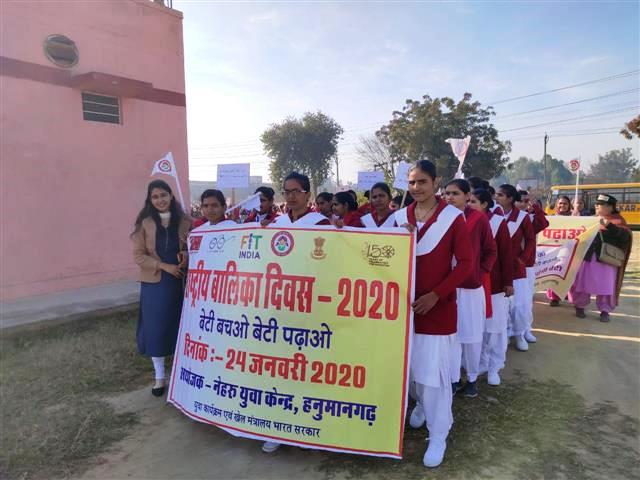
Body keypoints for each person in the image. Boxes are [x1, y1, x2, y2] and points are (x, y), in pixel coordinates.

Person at [395, 160, 472, 468]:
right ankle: (421, 405)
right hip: (401, 310)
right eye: (412, 182)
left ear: (436, 181)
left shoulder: (453, 217)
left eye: (422, 182)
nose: (416, 188)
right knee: (409, 371)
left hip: (437, 309)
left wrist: (436, 295)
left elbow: (466, 264)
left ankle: (438, 434)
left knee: (432, 375)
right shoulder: (399, 217)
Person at [131, 180, 192, 397]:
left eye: (163, 195)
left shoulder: (185, 221)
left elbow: (195, 247)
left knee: (179, 326)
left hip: (179, 283)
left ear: (171, 196)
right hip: (155, 284)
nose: (160, 200)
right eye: (155, 197)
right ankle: (159, 377)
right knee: (156, 328)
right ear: (150, 200)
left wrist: (186, 256)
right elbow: (139, 256)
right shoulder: (145, 224)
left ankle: (179, 373)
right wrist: (164, 266)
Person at [444, 180, 497, 398]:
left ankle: (472, 379)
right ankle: (453, 379)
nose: (450, 197)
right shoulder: (440, 218)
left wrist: (478, 272)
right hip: (445, 286)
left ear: (467, 196)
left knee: (472, 336)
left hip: (470, 288)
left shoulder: (478, 219)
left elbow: (491, 250)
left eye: (455, 193)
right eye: (447, 193)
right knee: (450, 337)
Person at [469, 189, 514, 386]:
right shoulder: (462, 220)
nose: (469, 205)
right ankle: (481, 362)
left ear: (485, 204)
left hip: (494, 284)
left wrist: (508, 282)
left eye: (473, 201)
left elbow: (506, 254)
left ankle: (495, 366)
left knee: (495, 329)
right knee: (478, 328)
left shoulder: (497, 223)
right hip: (473, 285)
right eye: (468, 201)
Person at [568, 194, 632, 322]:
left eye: (601, 204)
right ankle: (580, 306)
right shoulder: (591, 219)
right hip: (588, 258)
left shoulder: (619, 221)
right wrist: (575, 219)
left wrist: (609, 225)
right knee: (582, 283)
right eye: (596, 204)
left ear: (610, 207)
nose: (597, 206)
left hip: (606, 260)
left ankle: (605, 310)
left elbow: (625, 238)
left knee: (606, 286)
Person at [495, 184, 535, 352]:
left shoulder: (522, 217)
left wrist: (523, 259)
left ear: (510, 198)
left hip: (516, 267)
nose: (496, 197)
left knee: (519, 305)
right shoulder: (493, 214)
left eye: (500, 195)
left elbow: (530, 240)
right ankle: (503, 334)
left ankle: (519, 334)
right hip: (496, 267)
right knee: (500, 305)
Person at [516, 190, 548, 344]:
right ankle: (511, 331)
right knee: (510, 303)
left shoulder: (530, 218)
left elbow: (543, 223)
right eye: (520, 200)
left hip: (526, 265)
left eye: (526, 201)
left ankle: (525, 330)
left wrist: (535, 205)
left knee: (525, 301)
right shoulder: (503, 217)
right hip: (507, 265)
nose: (523, 204)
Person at [547, 196, 572, 306]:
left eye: (565, 203)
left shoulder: (575, 218)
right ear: (557, 204)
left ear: (569, 205)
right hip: (554, 250)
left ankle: (566, 293)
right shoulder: (551, 218)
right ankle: (554, 297)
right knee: (554, 272)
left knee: (568, 273)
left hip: (570, 250)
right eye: (560, 203)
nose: (562, 205)